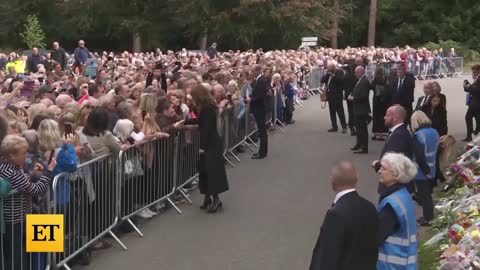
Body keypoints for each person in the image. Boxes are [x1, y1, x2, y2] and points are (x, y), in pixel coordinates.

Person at [309, 160, 378, 270]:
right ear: (357, 179)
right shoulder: (370, 207)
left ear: (333, 181)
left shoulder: (336, 214)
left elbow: (327, 256)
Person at [186, 84, 229, 213]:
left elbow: (207, 128)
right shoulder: (206, 108)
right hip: (210, 142)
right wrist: (185, 122)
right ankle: (207, 197)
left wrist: (202, 147)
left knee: (211, 171)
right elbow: (201, 122)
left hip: (210, 144)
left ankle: (216, 199)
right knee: (204, 171)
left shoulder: (207, 108)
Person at [376, 153, 418, 270]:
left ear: (396, 174)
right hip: (404, 261)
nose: (379, 171)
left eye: (383, 168)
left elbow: (377, 236)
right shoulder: (403, 195)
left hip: (390, 265)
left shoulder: (392, 204)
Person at [372, 105, 414, 194]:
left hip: (393, 186)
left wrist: (377, 164)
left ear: (395, 118)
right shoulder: (399, 132)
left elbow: (393, 162)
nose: (384, 117)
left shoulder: (398, 136)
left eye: (387, 115)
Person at [410, 111, 439, 226]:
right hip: (432, 168)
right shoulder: (434, 132)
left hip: (421, 171)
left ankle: (427, 218)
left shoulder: (418, 135)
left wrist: (425, 171)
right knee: (427, 194)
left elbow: (419, 156)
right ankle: (429, 216)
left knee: (424, 195)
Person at [349, 66, 371, 154]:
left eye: (357, 72)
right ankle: (359, 144)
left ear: (362, 72)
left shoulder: (365, 81)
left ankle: (364, 147)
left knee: (362, 129)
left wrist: (353, 98)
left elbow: (364, 96)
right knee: (358, 128)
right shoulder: (361, 80)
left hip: (361, 109)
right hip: (358, 108)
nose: (355, 74)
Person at [321, 63, 347, 133]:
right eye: (328, 68)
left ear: (333, 67)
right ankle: (334, 126)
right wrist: (327, 74)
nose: (329, 69)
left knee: (340, 112)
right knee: (332, 112)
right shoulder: (328, 73)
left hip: (337, 95)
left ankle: (344, 127)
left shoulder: (339, 72)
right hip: (330, 95)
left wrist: (334, 76)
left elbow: (341, 81)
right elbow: (322, 80)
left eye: (330, 68)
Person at [250, 65, 268, 159]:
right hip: (259, 108)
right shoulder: (259, 80)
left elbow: (259, 96)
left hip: (259, 108)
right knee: (262, 130)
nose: (251, 72)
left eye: (252, 70)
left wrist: (251, 99)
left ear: (257, 70)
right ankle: (262, 151)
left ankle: (262, 153)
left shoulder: (261, 80)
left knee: (262, 131)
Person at [371, 66, 390, 141]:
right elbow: (388, 87)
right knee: (383, 116)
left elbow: (371, 87)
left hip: (376, 99)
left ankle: (376, 133)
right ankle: (382, 134)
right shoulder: (385, 78)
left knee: (376, 116)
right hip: (383, 100)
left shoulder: (374, 79)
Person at [463, 64, 480, 142]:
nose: (473, 73)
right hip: (474, 103)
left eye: (474, 72)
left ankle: (470, 136)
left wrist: (468, 87)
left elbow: (477, 90)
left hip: (476, 103)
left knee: (468, 117)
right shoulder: (477, 79)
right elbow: (471, 89)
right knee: (475, 117)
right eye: (473, 72)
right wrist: (466, 86)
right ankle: (475, 131)